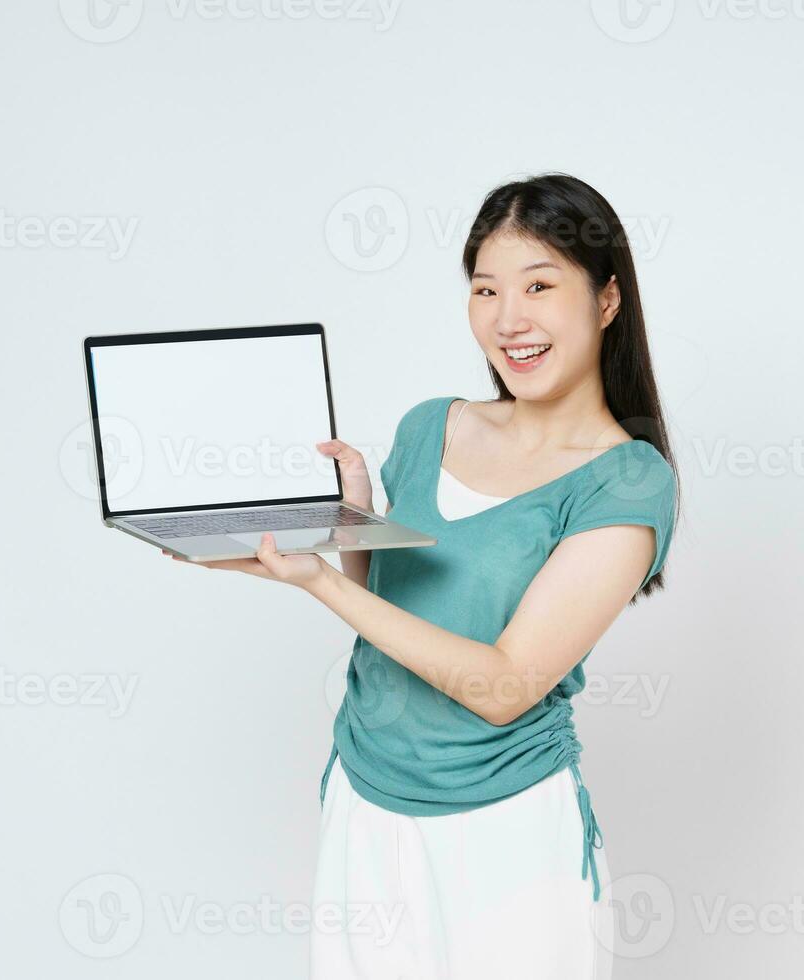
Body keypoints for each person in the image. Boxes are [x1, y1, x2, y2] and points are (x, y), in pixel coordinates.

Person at [164, 173, 680, 979]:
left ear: (606, 300)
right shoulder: (429, 425)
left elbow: (505, 685)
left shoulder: (626, 480)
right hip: (365, 800)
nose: (509, 320)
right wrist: (347, 531)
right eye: (485, 290)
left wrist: (321, 582)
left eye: (539, 285)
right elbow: (393, 611)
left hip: (503, 834)